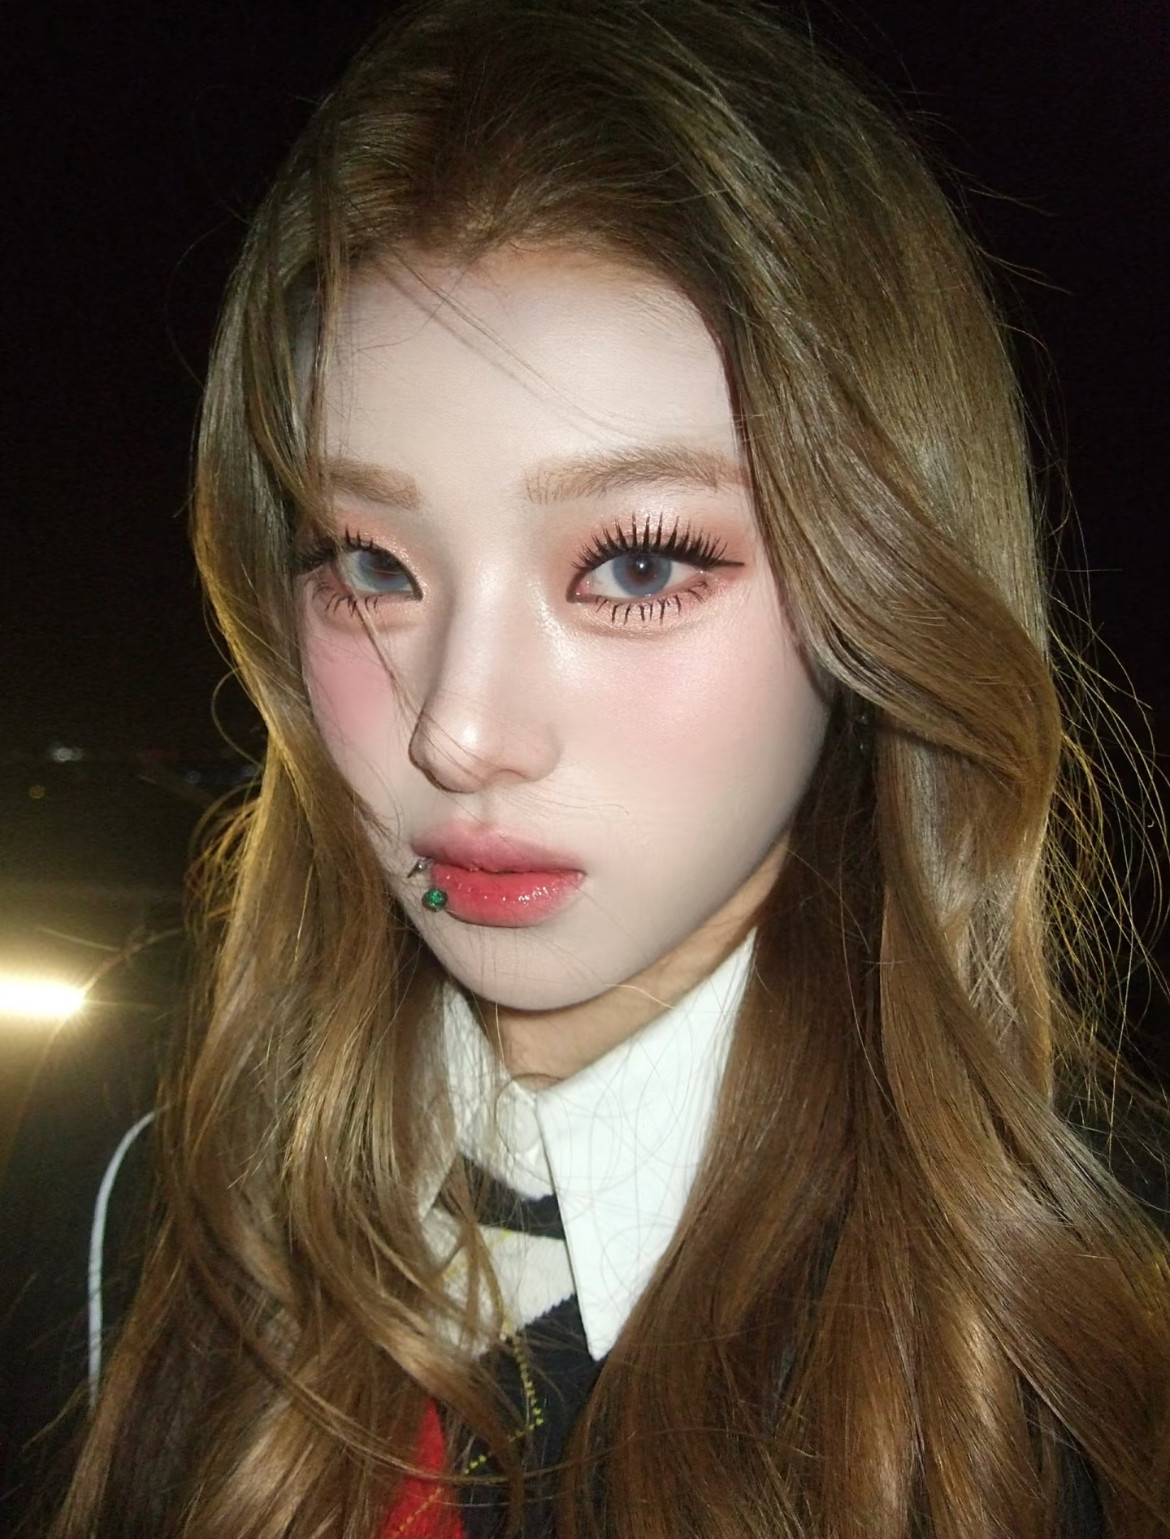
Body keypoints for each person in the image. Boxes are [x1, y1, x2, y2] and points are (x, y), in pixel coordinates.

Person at [48, 0, 1170, 1535]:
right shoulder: (136, 1194)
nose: (458, 731)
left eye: (636, 564)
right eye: (369, 562)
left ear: (882, 583)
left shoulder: (1089, 1339)